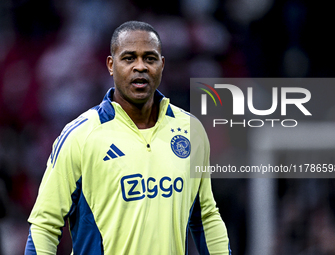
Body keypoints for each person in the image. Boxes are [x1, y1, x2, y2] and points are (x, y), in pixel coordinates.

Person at [24, 21, 231, 255]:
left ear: (162, 65)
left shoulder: (190, 130)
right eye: (129, 58)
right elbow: (44, 226)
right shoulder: (80, 135)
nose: (140, 67)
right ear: (111, 65)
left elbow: (206, 216)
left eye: (150, 58)